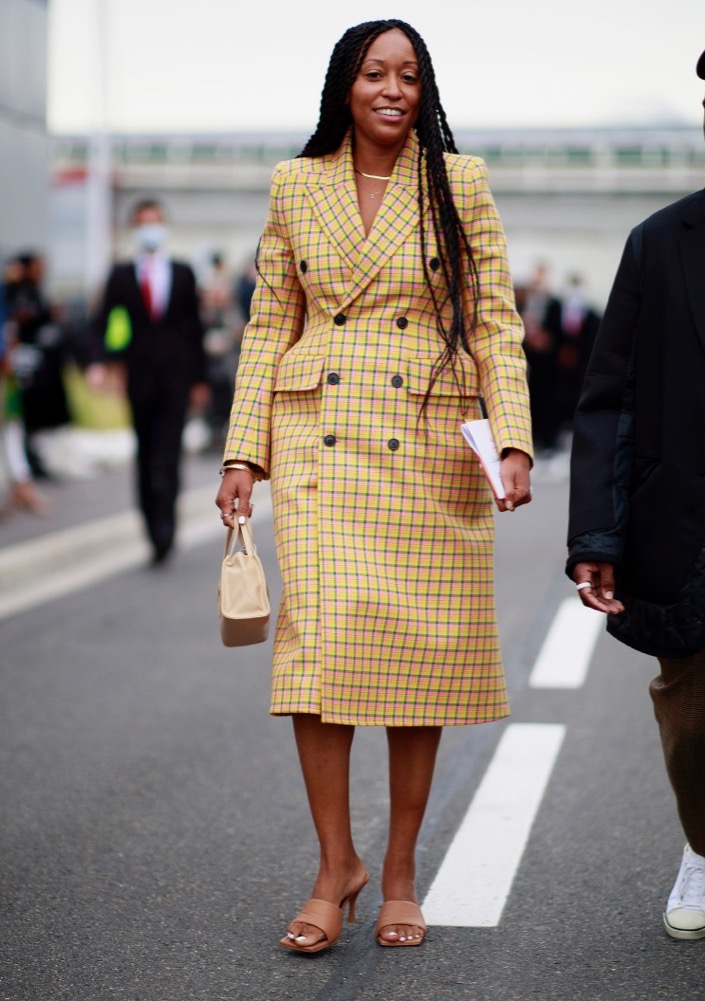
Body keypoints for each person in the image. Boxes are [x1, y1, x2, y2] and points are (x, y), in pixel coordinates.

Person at [216, 19, 533, 953]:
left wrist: (510, 436)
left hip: (428, 441)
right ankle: (333, 866)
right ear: (343, 86)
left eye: (408, 75)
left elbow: (494, 320)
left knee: (415, 659)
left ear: (423, 88)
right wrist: (243, 453)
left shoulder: (458, 180)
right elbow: (268, 320)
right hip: (317, 438)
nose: (391, 88)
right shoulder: (294, 183)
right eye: (373, 73)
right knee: (313, 652)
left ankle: (396, 873)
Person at [567, 48, 705, 943]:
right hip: (686, 525)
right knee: (693, 715)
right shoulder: (659, 241)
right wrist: (597, 533)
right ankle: (704, 841)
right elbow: (608, 399)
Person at [88, 199, 209, 564]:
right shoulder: (121, 275)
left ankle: (166, 530)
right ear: (134, 229)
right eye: (143, 222)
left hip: (176, 376)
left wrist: (199, 379)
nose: (150, 228)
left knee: (170, 454)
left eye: (155, 221)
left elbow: (195, 329)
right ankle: (150, 525)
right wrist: (101, 363)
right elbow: (106, 324)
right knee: (145, 454)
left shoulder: (183, 272)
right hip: (139, 376)